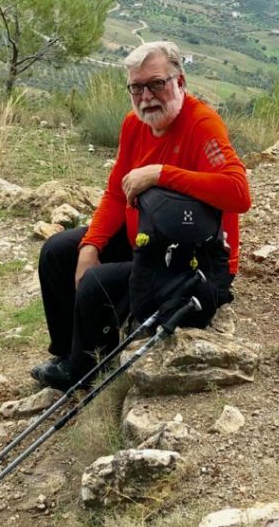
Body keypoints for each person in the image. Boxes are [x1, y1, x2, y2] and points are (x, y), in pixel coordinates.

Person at [32, 40, 251, 391]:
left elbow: (238, 193)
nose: (146, 96)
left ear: (180, 81)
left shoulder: (202, 124)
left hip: (196, 261)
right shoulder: (133, 125)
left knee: (96, 282)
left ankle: (83, 368)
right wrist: (91, 245)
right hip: (148, 241)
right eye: (136, 87)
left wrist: (161, 174)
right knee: (58, 251)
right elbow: (116, 194)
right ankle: (67, 351)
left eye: (156, 84)